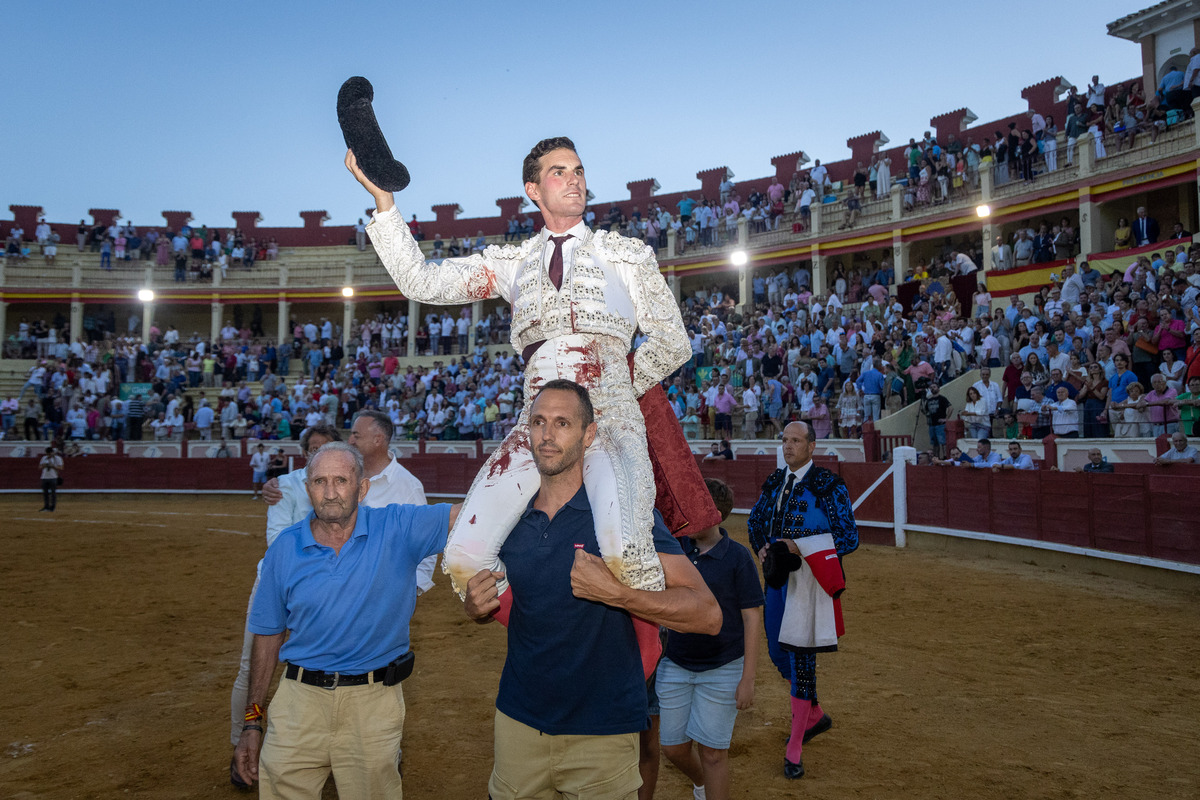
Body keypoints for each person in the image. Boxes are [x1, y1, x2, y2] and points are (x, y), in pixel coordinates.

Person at [349, 136, 715, 607]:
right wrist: (384, 205)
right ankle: (542, 619)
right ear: (533, 189)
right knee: (463, 556)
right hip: (535, 427)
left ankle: (634, 666)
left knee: (629, 553)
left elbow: (673, 342)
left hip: (611, 421)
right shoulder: (512, 264)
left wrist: (615, 387)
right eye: (559, 172)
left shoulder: (628, 256)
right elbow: (422, 281)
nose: (575, 179)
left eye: (579, 170)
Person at [461, 380, 720, 800]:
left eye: (563, 423)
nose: (547, 435)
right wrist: (476, 608)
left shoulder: (624, 516)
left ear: (589, 434)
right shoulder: (506, 519)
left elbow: (708, 614)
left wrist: (618, 594)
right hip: (519, 721)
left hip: (603, 729)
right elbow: (505, 601)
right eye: (539, 422)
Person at [232, 442, 460, 796]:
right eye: (320, 482)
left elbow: (471, 515)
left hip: (373, 703)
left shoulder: (397, 526)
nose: (330, 492)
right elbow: (267, 636)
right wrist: (252, 720)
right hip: (297, 703)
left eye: (341, 480)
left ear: (363, 487)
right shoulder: (283, 550)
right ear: (308, 489)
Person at [227, 423, 341, 785]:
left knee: (325, 666)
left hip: (327, 590)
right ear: (305, 453)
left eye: (325, 447)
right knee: (252, 668)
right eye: (312, 448)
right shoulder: (286, 486)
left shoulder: (347, 484)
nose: (317, 454)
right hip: (277, 585)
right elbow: (276, 540)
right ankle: (240, 747)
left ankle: (326, 757)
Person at [746, 421, 859, 779]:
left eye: (795, 440)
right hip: (778, 579)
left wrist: (802, 546)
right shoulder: (776, 481)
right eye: (784, 440)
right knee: (780, 653)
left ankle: (794, 747)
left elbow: (848, 537)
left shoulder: (829, 485)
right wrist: (762, 546)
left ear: (812, 446)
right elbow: (754, 521)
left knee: (802, 659)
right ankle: (813, 713)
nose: (788, 446)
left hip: (810, 585)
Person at [657, 478, 762, 800]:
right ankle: (701, 783)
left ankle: (709, 784)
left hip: (723, 667)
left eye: (693, 509)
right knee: (672, 748)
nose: (685, 515)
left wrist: (748, 678)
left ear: (714, 514)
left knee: (714, 753)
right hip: (675, 661)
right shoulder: (675, 549)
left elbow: (752, 616)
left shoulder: (738, 558)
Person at [39, 445, 63, 512]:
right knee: (45, 493)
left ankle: (52, 507)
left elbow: (61, 468)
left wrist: (53, 466)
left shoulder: (57, 458)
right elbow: (39, 467)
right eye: (47, 454)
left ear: (52, 452)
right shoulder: (44, 458)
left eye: (49, 453)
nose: (48, 455)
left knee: (53, 493)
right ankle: (46, 506)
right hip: (44, 477)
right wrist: (44, 465)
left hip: (53, 477)